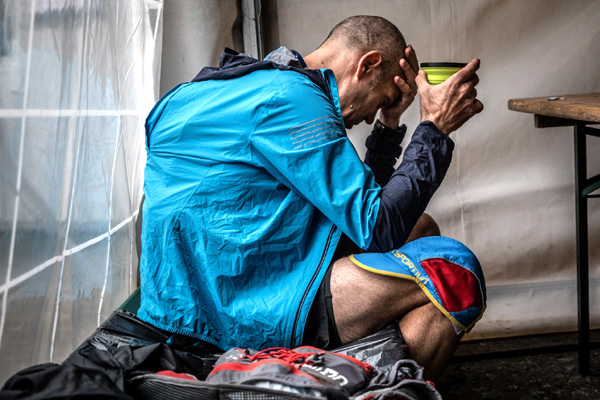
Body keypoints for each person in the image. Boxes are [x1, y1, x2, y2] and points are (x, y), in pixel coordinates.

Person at [138, 15, 485, 381]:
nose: (370, 117)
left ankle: (355, 366)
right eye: (379, 101)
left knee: (421, 227)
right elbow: (378, 228)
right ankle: (378, 389)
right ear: (367, 65)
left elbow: (357, 208)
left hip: (187, 294)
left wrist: (389, 123)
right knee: (454, 272)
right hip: (240, 309)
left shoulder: (236, 85)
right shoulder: (294, 99)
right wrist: (434, 127)